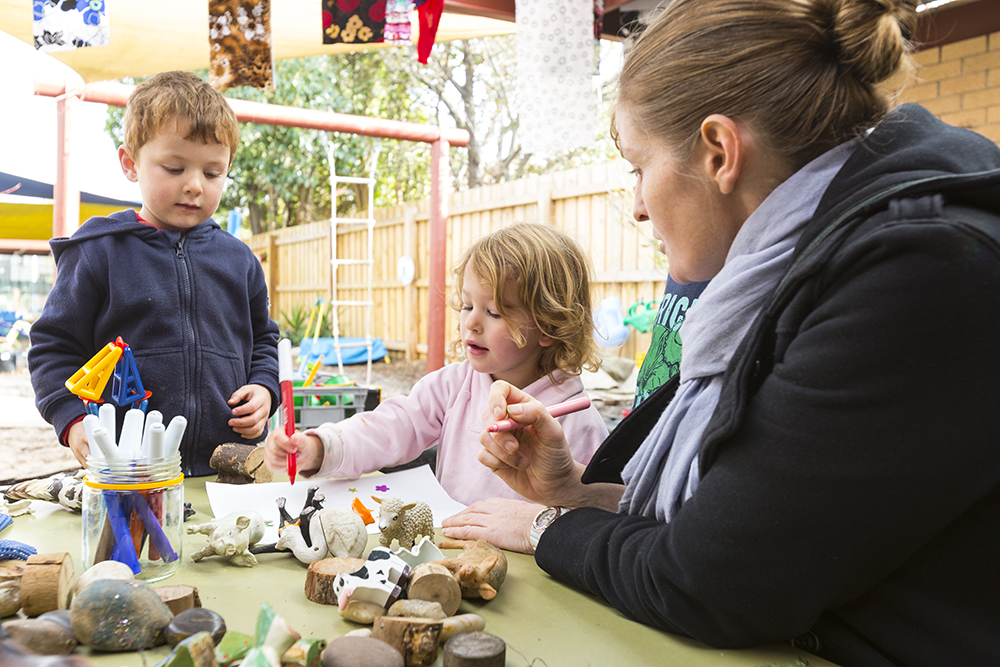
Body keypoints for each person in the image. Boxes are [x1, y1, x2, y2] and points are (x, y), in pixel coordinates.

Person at [464, 0, 1000, 665]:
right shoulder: (813, 260)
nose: (635, 206)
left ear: (719, 151)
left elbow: (709, 581)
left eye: (638, 167)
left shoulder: (919, 269)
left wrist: (552, 527)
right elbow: (747, 517)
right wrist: (578, 492)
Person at [29, 71, 280, 477]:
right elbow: (52, 348)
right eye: (175, 168)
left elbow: (265, 340)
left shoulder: (241, 261)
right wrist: (72, 418)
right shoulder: (98, 253)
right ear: (131, 164)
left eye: (213, 173)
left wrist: (265, 388)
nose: (195, 185)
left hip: (230, 471)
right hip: (129, 473)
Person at [262, 223, 608, 506]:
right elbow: (391, 427)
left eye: (494, 312)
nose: (471, 323)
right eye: (466, 305)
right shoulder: (455, 385)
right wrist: (320, 447)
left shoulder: (578, 422)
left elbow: (593, 515)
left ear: (549, 326)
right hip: (447, 558)